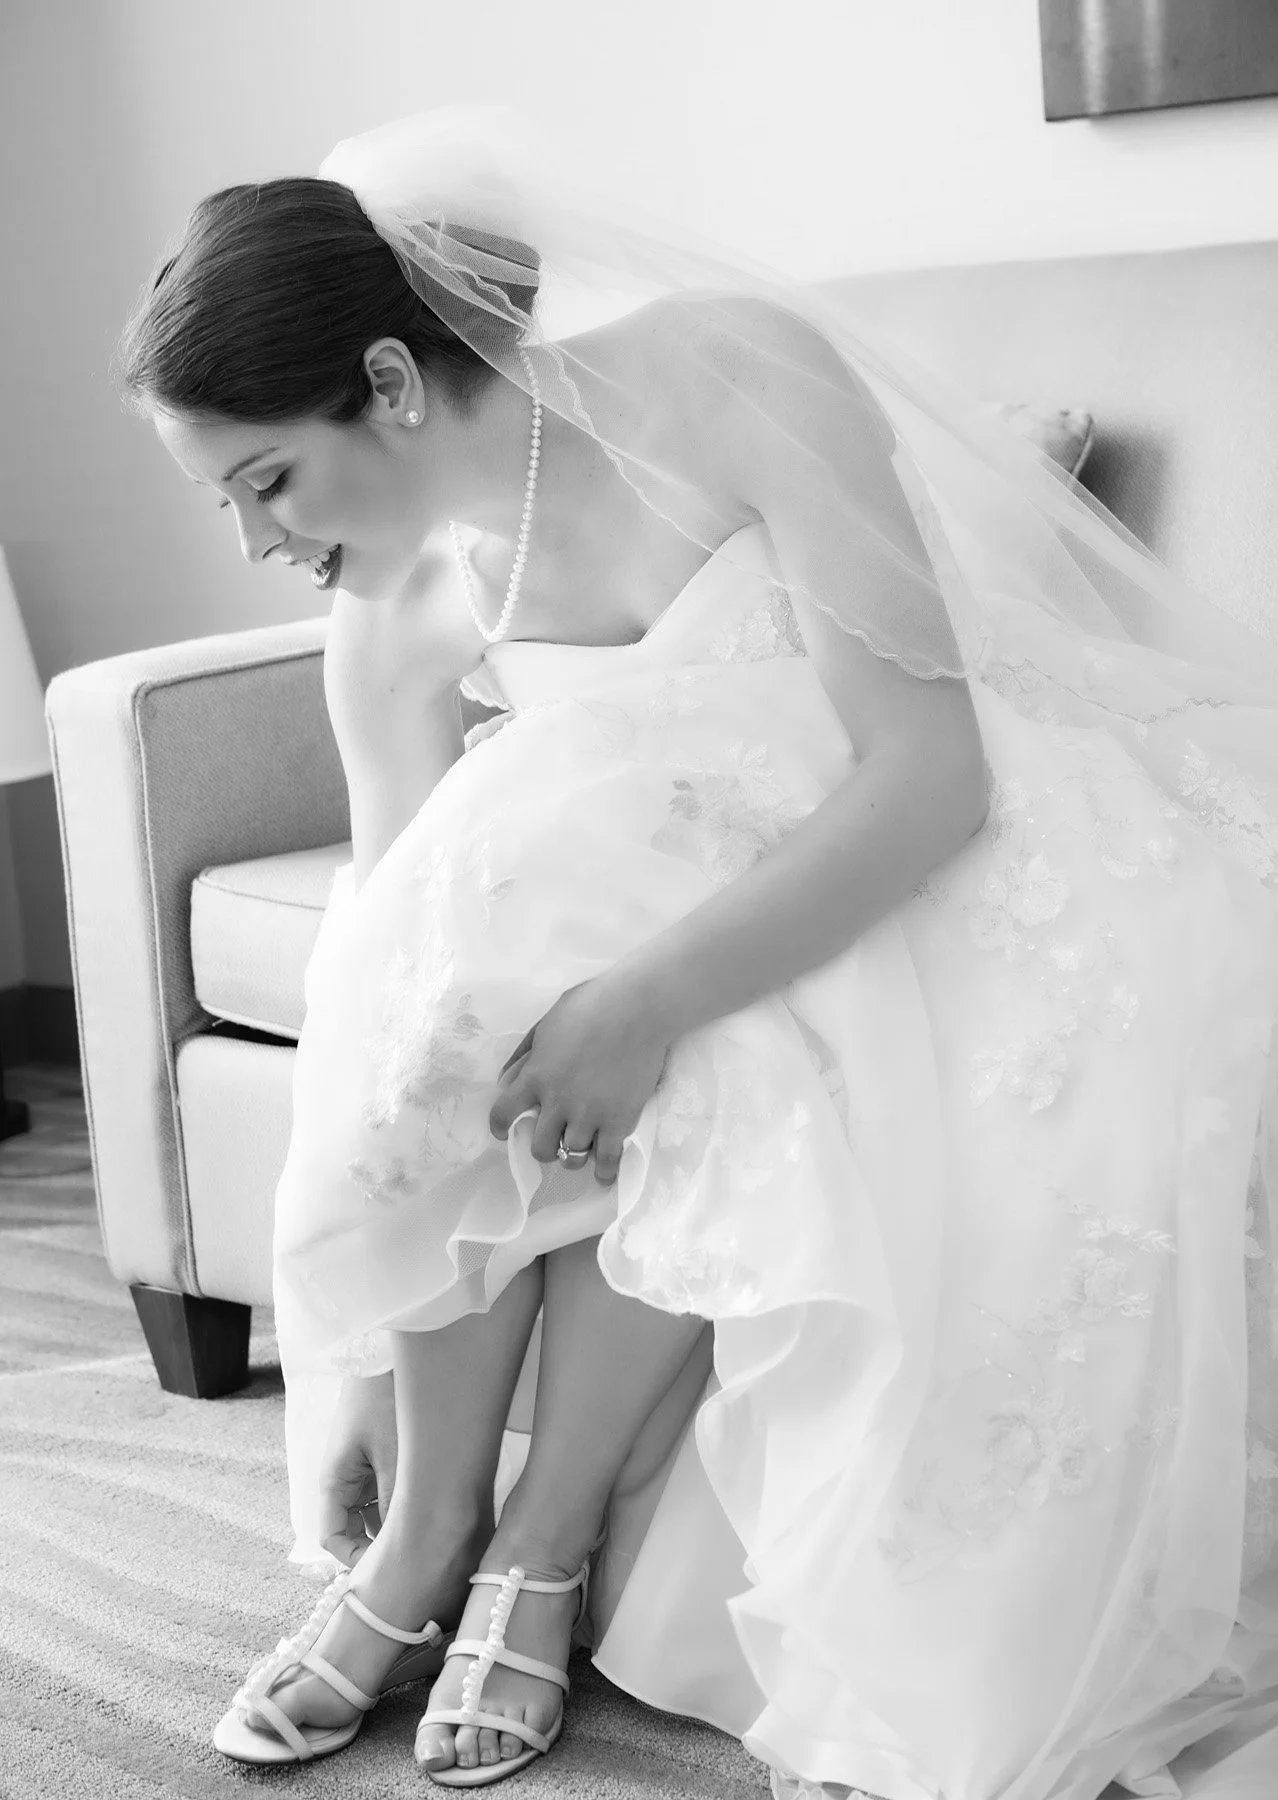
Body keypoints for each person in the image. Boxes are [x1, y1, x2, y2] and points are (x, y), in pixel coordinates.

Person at [114, 110, 1278, 1800]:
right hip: (688, 908)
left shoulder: (726, 376)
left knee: (702, 1018)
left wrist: (639, 1005)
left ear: (387, 379)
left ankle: (539, 1535)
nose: (257, 543)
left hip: (952, 837)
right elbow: (392, 988)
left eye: (265, 480)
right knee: (482, 968)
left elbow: (930, 776)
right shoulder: (390, 616)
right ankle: (434, 1537)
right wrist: (352, 1327)